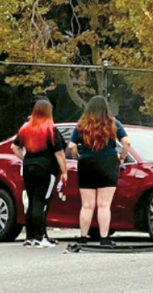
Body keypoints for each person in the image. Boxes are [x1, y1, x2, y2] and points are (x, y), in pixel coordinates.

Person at [68, 96, 131, 247]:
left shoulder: (82, 124)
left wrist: (78, 156)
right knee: (104, 204)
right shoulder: (113, 123)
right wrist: (121, 157)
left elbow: (71, 146)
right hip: (108, 163)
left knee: (87, 205)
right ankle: (104, 238)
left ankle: (83, 237)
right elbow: (127, 142)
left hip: (87, 164)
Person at [10, 98, 67, 248]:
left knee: (32, 199)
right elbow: (59, 154)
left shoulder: (25, 128)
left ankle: (30, 236)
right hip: (46, 169)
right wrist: (64, 171)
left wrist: (26, 158)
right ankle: (40, 236)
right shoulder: (51, 130)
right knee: (41, 202)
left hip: (28, 167)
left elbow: (14, 147)